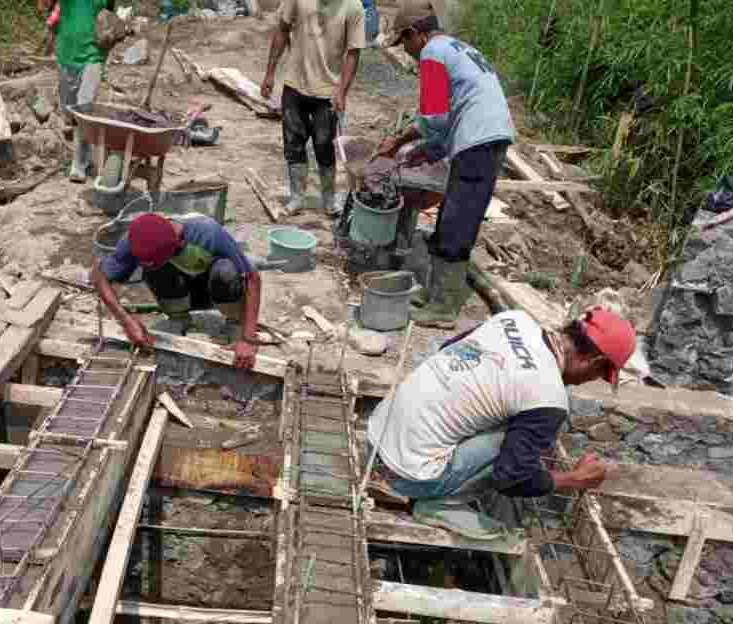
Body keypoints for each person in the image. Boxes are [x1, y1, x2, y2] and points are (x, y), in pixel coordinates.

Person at [366, 307, 636, 540]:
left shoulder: (514, 320)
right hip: (407, 478)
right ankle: (438, 503)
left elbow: (449, 349)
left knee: (506, 412)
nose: (587, 381)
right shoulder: (549, 396)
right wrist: (572, 479)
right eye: (599, 375)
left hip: (375, 437)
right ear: (594, 361)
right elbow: (510, 478)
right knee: (512, 441)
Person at [376, 13, 515, 328]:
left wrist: (399, 142)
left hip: (480, 141)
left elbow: (434, 117)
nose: (406, 51)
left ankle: (443, 308)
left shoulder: (432, 53)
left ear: (415, 34)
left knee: (457, 221)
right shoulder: (455, 48)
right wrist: (427, 150)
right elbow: (449, 116)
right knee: (451, 216)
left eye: (404, 42)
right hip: (481, 137)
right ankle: (434, 293)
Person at [91, 213, 263, 370]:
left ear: (178, 243)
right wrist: (126, 320)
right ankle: (178, 318)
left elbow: (252, 278)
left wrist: (248, 338)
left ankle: (234, 323)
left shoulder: (207, 231)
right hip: (182, 292)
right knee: (156, 270)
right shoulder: (136, 238)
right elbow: (99, 276)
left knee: (225, 270)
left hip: (217, 290)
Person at [260, 0, 366, 217]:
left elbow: (353, 53)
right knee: (293, 143)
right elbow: (282, 29)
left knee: (324, 146)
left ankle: (329, 199)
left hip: (327, 92)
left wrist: (342, 92)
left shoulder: (353, 7)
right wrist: (270, 72)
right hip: (294, 84)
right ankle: (297, 197)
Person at [37, 0, 113, 183]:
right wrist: (50, 26)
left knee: (83, 108)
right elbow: (42, 7)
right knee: (69, 112)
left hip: (93, 55)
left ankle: (78, 165)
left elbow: (110, 16)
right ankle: (86, 156)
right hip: (65, 54)